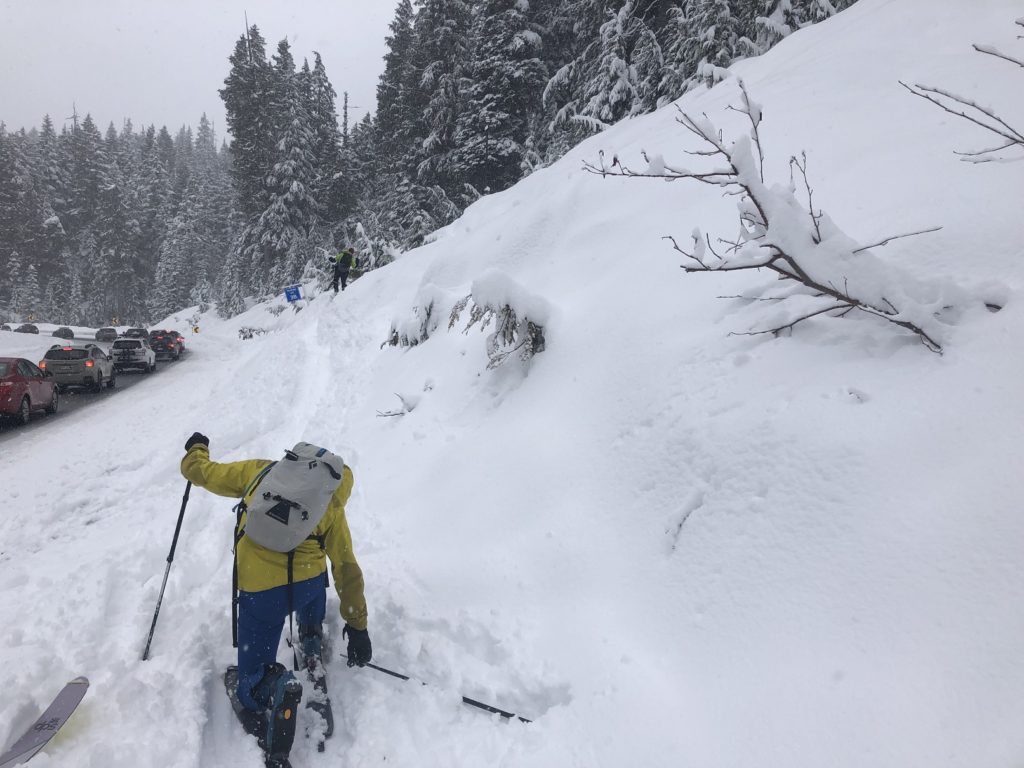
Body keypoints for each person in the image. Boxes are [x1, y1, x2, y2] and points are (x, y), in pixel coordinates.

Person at [180, 432, 372, 765]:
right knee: (317, 567)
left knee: (248, 682)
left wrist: (196, 451)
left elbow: (204, 473)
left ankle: (273, 685)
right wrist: (358, 627)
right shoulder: (329, 505)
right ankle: (310, 640)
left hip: (261, 592)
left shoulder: (259, 473)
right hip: (308, 587)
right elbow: (346, 568)